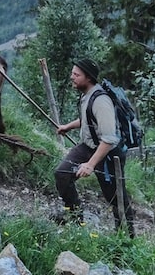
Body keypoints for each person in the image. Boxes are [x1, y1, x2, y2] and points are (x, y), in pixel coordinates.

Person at [53, 58, 135, 237]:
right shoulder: (86, 95)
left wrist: (90, 164)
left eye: (76, 74)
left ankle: (127, 238)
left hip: (108, 153)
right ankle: (76, 221)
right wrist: (68, 126)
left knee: (115, 197)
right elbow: (88, 119)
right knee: (62, 174)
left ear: (88, 78)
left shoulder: (101, 101)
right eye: (72, 73)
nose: (72, 77)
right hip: (88, 146)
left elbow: (109, 138)